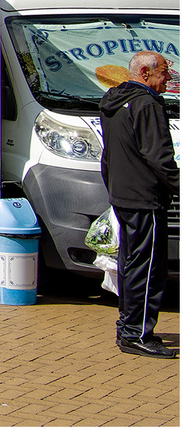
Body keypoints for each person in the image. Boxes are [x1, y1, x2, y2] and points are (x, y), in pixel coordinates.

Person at [100, 50, 179, 358]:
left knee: (132, 264)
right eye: (163, 73)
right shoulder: (146, 104)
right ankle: (137, 333)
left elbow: (109, 156)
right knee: (147, 268)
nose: (168, 79)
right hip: (144, 198)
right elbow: (159, 157)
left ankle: (129, 326)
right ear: (145, 73)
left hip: (125, 195)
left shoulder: (115, 102)